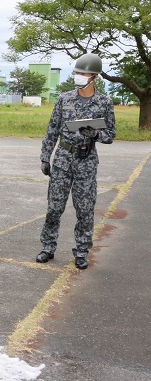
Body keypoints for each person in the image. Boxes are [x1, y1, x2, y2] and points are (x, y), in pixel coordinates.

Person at [36, 53, 116, 269]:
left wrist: (96, 135)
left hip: (86, 161)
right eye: (77, 73)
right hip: (63, 159)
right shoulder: (64, 99)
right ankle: (47, 247)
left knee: (84, 210)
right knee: (54, 208)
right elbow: (52, 129)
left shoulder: (104, 102)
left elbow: (111, 134)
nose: (79, 76)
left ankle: (81, 251)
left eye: (83, 73)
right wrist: (45, 157)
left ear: (94, 77)